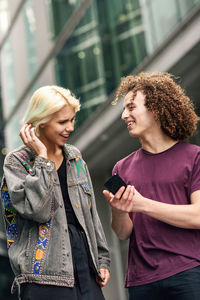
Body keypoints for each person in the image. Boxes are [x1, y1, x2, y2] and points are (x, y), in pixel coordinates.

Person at [1, 86, 110, 300]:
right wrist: (42, 159)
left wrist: (102, 260)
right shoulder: (16, 162)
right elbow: (37, 211)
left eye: (72, 120)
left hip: (85, 267)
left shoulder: (75, 157)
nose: (70, 127)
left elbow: (91, 214)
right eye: (62, 122)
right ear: (40, 121)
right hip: (44, 275)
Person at [103, 72, 200, 300]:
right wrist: (119, 210)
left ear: (155, 108)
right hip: (141, 281)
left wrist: (142, 204)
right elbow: (123, 232)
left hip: (188, 272)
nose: (124, 115)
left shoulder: (194, 157)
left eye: (131, 107)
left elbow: (197, 216)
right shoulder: (121, 167)